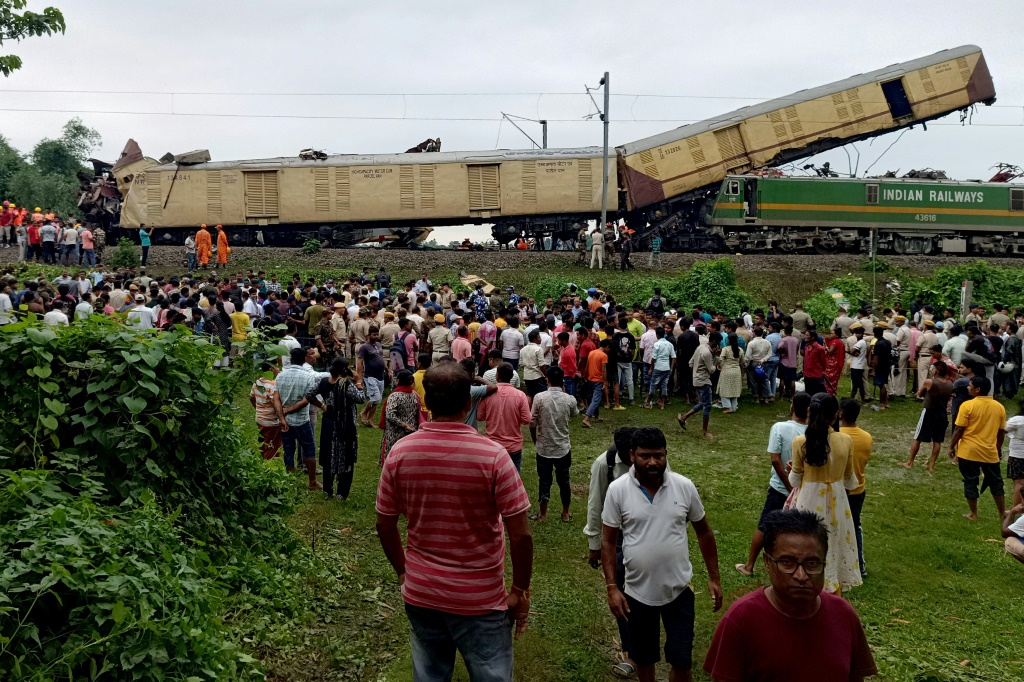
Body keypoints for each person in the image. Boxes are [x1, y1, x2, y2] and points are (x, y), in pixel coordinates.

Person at [375, 362, 533, 680]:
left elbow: (385, 523)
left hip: (422, 592)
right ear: (468, 402)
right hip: (481, 599)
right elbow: (521, 535)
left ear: (426, 403)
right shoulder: (494, 456)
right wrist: (519, 590)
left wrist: (404, 571)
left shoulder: (400, 453)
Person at [601, 427, 722, 682]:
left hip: (679, 591)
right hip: (636, 593)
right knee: (644, 660)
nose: (653, 462)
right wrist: (612, 587)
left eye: (659, 455)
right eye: (645, 456)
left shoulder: (684, 487)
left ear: (666, 454)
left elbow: (704, 532)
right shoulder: (618, 490)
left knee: (682, 660)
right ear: (632, 455)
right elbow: (608, 541)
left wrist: (714, 577)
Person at [704, 509, 878, 682]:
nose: (801, 575)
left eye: (812, 563)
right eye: (787, 562)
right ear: (767, 562)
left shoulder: (844, 616)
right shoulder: (740, 620)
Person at [788, 393, 861, 594]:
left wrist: (793, 469)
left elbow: (794, 481)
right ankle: (833, 592)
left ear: (810, 412)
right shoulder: (845, 440)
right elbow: (850, 480)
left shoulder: (800, 441)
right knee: (834, 542)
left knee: (808, 543)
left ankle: (807, 588)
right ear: (836, 415)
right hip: (837, 500)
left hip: (809, 499)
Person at [736, 392, 811, 577]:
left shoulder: (779, 427)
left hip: (780, 487)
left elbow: (775, 459)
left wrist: (788, 486)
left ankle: (749, 566)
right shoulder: (812, 432)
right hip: (804, 489)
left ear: (792, 407)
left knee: (765, 525)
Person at [583, 427, 638, 678]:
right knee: (623, 592)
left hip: (647, 534)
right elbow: (595, 504)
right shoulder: (603, 465)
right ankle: (630, 652)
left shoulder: (651, 460)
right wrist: (594, 545)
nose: (635, 460)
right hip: (618, 537)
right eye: (630, 456)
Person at [306, 357, 366, 501]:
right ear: (344, 370)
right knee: (345, 455)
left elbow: (309, 395)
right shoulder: (346, 384)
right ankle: (342, 492)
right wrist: (358, 382)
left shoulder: (323, 382)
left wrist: (322, 405)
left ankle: (328, 490)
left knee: (328, 454)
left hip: (329, 422)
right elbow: (360, 398)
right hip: (345, 425)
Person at [949, 375, 1007, 524]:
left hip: (968, 451)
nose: (968, 388)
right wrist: (997, 449)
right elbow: (1001, 432)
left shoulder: (967, 406)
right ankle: (1002, 514)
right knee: (996, 482)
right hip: (989, 452)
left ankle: (973, 514)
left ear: (977, 389)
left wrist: (951, 446)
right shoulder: (999, 407)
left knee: (970, 481)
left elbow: (959, 429)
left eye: (970, 386)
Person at [529, 367, 579, 522]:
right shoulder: (570, 399)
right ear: (562, 380)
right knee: (564, 480)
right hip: (563, 447)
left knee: (544, 481)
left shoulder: (539, 398)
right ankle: (565, 513)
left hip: (544, 447)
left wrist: (535, 440)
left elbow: (532, 422)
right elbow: (574, 413)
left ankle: (543, 515)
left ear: (547, 380)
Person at [277, 347, 324, 487]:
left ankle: (290, 482)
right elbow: (308, 399)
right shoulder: (308, 377)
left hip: (286, 421)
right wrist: (322, 405)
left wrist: (282, 417)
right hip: (302, 421)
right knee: (309, 449)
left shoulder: (280, 376)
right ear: (304, 359)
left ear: (291, 359)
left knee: (288, 450)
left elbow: (276, 399)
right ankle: (312, 482)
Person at [476, 362, 532, 472]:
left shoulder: (489, 394)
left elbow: (480, 416)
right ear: (512, 376)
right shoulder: (520, 395)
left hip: (493, 444)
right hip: (513, 446)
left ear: (497, 376)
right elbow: (526, 419)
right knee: (513, 477)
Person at [839, 398, 873, 578]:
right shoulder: (867, 437)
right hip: (858, 488)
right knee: (855, 525)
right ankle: (860, 565)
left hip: (839, 489)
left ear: (841, 414)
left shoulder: (836, 436)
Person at [902, 362, 954, 471]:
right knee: (937, 440)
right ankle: (931, 465)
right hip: (942, 413)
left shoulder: (929, 382)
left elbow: (920, 394)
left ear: (935, 371)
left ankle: (910, 462)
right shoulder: (950, 384)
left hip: (929, 412)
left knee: (917, 438)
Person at [677, 330, 720, 439]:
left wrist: (695, 375)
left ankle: (684, 417)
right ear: (714, 341)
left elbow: (690, 363)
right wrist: (716, 359)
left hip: (696, 379)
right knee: (707, 406)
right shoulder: (707, 353)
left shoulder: (700, 347)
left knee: (704, 402)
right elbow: (711, 370)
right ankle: (705, 431)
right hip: (704, 380)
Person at [378, 370, 422, 464]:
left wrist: (403, 424)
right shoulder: (415, 395)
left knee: (392, 460)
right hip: (411, 433)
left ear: (398, 380)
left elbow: (390, 415)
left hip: (395, 433)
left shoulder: (395, 396)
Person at [249, 361, 289, 460]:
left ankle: (261, 461)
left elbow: (252, 398)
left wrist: (259, 409)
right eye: (277, 367)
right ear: (271, 369)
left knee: (263, 442)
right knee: (272, 446)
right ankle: (268, 464)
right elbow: (275, 403)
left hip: (260, 419)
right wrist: (282, 418)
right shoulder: (273, 385)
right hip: (271, 422)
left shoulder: (257, 382)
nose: (279, 369)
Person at [582, 338, 610, 428]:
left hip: (590, 379)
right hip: (598, 380)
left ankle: (596, 416)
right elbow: (604, 370)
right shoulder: (604, 355)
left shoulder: (591, 353)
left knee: (593, 399)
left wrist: (585, 376)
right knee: (596, 400)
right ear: (607, 347)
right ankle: (587, 418)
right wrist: (605, 382)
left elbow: (587, 366)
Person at [646, 326, 676, 409]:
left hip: (658, 367)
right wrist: (671, 368)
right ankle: (662, 403)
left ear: (657, 335)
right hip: (667, 367)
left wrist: (651, 368)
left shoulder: (657, 344)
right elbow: (674, 357)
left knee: (653, 385)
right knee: (664, 385)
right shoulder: (669, 344)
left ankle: (648, 402)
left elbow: (654, 358)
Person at [718, 332, 744, 414]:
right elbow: (742, 362)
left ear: (728, 340)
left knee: (724, 389)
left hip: (727, 370)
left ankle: (728, 407)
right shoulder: (740, 350)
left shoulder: (725, 349)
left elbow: (721, 359)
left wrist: (719, 365)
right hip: (736, 370)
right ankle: (734, 406)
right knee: (734, 389)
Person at [1005, 399, 1024, 507]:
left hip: (1018, 455)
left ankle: (1017, 508)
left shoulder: (1017, 420)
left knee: (1019, 483)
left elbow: (1002, 429)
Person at [871, 326, 893, 409]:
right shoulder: (888, 342)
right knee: (883, 383)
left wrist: (873, 369)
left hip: (880, 365)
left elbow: (876, 357)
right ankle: (886, 402)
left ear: (874, 334)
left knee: (881, 385)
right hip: (887, 365)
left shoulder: (878, 343)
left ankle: (882, 403)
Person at [802, 329, 826, 395]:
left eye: (807, 335)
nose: (805, 337)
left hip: (816, 375)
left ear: (812, 337)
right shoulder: (806, 347)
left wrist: (822, 372)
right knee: (808, 393)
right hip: (807, 374)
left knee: (818, 394)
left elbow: (823, 362)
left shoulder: (819, 348)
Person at [823, 325, 846, 396]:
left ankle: (828, 392)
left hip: (832, 364)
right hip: (837, 363)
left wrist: (825, 347)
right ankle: (832, 392)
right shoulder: (840, 342)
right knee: (834, 380)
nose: (830, 335)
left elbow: (830, 351)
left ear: (837, 335)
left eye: (832, 333)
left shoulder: (835, 342)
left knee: (828, 379)